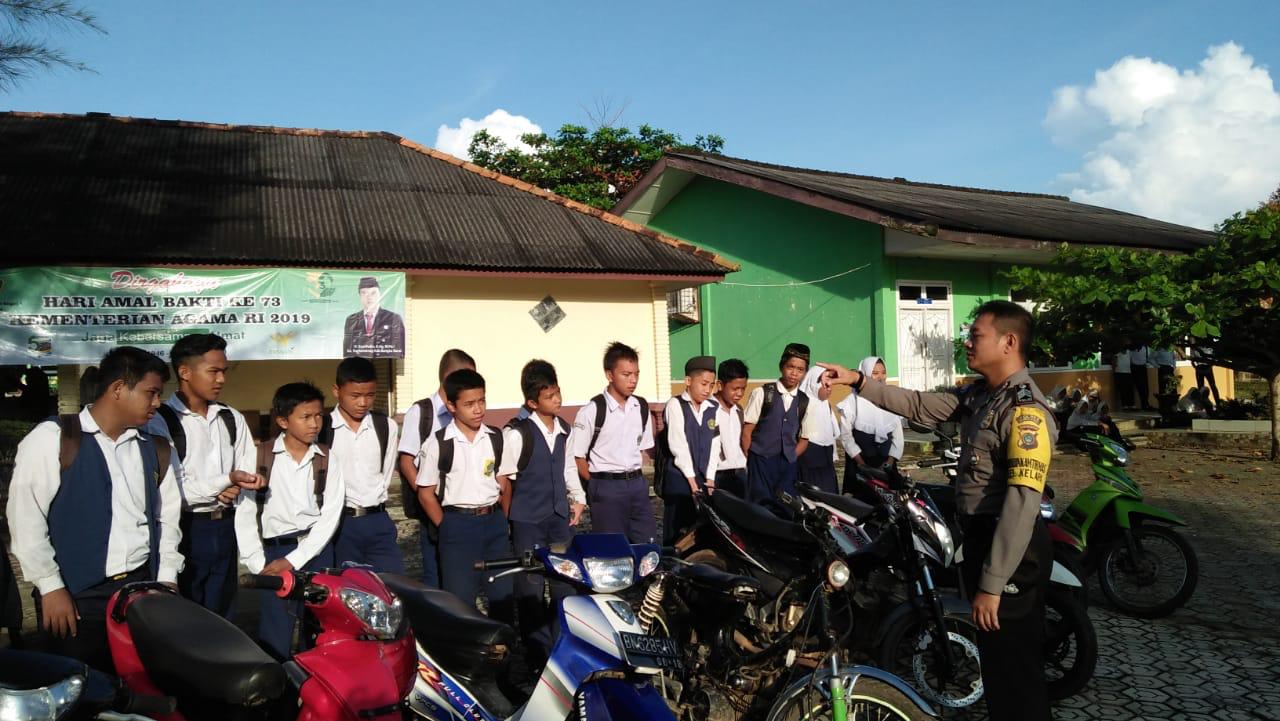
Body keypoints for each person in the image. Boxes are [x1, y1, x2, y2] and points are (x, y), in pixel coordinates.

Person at [822, 300, 1055, 721]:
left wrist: (993, 585)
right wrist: (858, 381)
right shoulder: (981, 396)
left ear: (1009, 342)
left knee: (1015, 670)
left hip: (1011, 552)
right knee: (998, 666)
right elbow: (918, 405)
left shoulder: (1025, 412)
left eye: (977, 335)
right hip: (984, 540)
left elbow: (1021, 504)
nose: (968, 343)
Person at [7, 347, 183, 671]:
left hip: (140, 591)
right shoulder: (54, 438)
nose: (158, 403)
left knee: (138, 683)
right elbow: (26, 519)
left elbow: (167, 520)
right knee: (78, 684)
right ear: (118, 388)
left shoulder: (156, 448)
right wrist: (50, 587)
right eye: (151, 393)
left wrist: (166, 579)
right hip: (76, 596)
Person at [148, 333, 260, 618]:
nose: (221, 379)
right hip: (184, 529)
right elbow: (173, 491)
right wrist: (226, 480)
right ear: (185, 372)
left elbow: (246, 477)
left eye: (224, 371)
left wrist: (237, 484)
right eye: (213, 371)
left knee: (224, 616)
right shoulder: (160, 421)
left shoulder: (231, 418)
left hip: (225, 528)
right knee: (185, 618)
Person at [235, 382, 345, 661]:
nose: (314, 424)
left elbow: (330, 515)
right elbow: (245, 514)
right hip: (274, 553)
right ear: (283, 421)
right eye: (305, 417)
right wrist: (257, 564)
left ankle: (316, 681)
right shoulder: (259, 456)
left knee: (318, 628)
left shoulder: (328, 459)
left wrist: (295, 559)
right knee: (276, 630)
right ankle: (279, 682)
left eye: (319, 415)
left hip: (316, 551)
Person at [496, 360, 585, 656]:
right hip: (528, 522)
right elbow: (504, 480)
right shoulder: (517, 433)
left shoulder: (564, 430)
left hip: (559, 519)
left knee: (565, 583)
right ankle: (537, 651)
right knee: (530, 586)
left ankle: (560, 645)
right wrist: (512, 519)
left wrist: (578, 498)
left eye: (558, 392)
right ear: (533, 402)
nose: (557, 400)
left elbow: (568, 467)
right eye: (549, 396)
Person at [416, 368, 513, 620]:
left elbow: (504, 483)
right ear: (451, 406)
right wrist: (446, 525)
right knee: (460, 602)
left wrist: (501, 519)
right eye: (469, 404)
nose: (478, 409)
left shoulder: (496, 437)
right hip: (457, 525)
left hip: (494, 524)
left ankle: (503, 643)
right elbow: (425, 493)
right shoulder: (438, 443)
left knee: (502, 595)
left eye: (481, 401)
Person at [398, 349, 476, 587]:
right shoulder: (422, 412)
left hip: (463, 505)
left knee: (463, 573)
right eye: (466, 377)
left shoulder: (467, 411)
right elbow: (407, 461)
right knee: (436, 573)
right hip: (433, 506)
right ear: (449, 377)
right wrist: (428, 498)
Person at [571, 342, 656, 544]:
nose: (633, 380)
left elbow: (642, 448)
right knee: (612, 548)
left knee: (647, 545)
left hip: (637, 485)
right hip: (606, 487)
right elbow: (577, 456)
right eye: (626, 375)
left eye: (636, 374)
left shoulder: (641, 407)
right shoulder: (592, 411)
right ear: (610, 375)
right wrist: (596, 484)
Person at [325, 357, 403, 573]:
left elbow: (385, 473)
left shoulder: (385, 426)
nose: (362, 403)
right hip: (340, 524)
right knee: (347, 585)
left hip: (378, 520)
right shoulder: (324, 428)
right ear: (336, 391)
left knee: (390, 583)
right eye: (355, 396)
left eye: (370, 395)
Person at [659, 356, 722, 544]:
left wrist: (710, 478)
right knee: (677, 531)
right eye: (703, 384)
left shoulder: (713, 407)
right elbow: (678, 445)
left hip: (703, 479)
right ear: (688, 381)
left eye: (711, 385)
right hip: (680, 479)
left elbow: (715, 445)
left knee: (700, 531)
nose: (707, 390)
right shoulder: (676, 405)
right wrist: (692, 482)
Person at [741, 343, 810, 508]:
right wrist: (752, 459)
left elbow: (804, 439)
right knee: (760, 507)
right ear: (781, 366)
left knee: (786, 507)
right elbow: (747, 431)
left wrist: (791, 456)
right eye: (790, 367)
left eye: (800, 370)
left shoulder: (804, 401)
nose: (794, 373)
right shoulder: (763, 393)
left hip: (787, 466)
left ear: (805, 373)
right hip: (760, 462)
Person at [836, 357, 904, 497]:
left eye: (883, 372)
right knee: (862, 503)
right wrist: (862, 465)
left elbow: (898, 436)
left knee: (890, 503)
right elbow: (846, 436)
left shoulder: (890, 398)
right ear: (865, 374)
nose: (880, 377)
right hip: (859, 464)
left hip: (886, 465)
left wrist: (889, 463)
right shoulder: (851, 402)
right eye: (875, 373)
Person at [797, 366, 839, 494]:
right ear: (813, 384)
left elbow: (832, 433)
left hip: (826, 461)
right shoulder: (802, 404)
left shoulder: (825, 404)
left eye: (830, 383)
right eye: (824, 383)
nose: (829, 387)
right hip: (809, 459)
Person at [341, 276, 405, 358]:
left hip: (383, 363)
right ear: (360, 296)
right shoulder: (351, 320)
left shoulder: (393, 318)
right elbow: (347, 352)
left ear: (380, 294)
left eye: (373, 293)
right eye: (364, 293)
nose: (369, 297)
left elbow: (399, 351)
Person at [712, 359, 750, 497]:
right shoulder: (708, 410)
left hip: (740, 473)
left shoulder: (738, 410)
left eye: (743, 388)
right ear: (720, 385)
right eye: (735, 389)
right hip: (718, 475)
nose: (739, 393)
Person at [1129, 345, 1154, 411]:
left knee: (1145, 387)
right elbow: (1130, 359)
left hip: (1143, 367)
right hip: (1135, 368)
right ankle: (1144, 405)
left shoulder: (1145, 348)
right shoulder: (1132, 349)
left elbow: (1148, 358)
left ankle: (1145, 404)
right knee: (1140, 387)